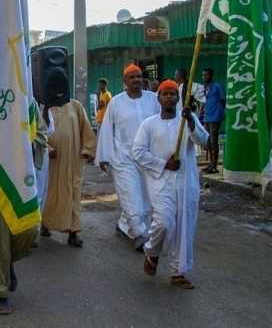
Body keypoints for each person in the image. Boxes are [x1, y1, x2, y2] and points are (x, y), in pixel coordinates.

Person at [132, 79, 208, 289]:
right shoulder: (149, 124)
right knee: (165, 223)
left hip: (186, 182)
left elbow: (203, 140)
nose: (169, 97)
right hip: (161, 182)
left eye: (173, 94)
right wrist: (163, 164)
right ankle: (152, 252)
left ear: (178, 97)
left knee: (184, 227)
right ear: (158, 98)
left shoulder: (187, 120)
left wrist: (191, 122)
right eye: (164, 94)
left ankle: (178, 272)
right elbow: (137, 152)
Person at [95, 64, 160, 251]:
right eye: (132, 77)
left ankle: (124, 225)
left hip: (148, 158)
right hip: (123, 158)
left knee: (147, 202)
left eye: (139, 76)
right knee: (131, 196)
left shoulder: (154, 100)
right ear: (125, 82)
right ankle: (140, 234)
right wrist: (104, 156)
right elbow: (107, 129)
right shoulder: (116, 102)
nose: (136, 80)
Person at [42, 78, 97, 246]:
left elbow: (86, 129)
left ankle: (73, 232)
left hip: (73, 161)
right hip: (51, 163)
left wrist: (87, 150)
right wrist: (47, 149)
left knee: (74, 194)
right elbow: (37, 133)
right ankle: (45, 224)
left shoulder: (75, 106)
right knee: (48, 195)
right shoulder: (43, 107)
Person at [201, 68, 225, 174]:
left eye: (206, 75)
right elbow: (203, 100)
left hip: (215, 116)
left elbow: (223, 99)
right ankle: (210, 164)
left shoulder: (217, 86)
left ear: (211, 75)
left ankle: (214, 166)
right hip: (207, 116)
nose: (204, 77)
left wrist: (219, 111)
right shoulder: (204, 87)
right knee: (208, 141)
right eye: (203, 75)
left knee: (213, 141)